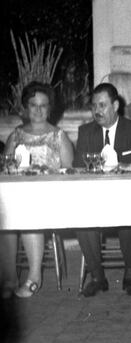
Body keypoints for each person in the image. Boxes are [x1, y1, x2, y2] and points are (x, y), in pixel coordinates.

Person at [75, 83, 131, 296]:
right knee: (80, 216)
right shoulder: (85, 133)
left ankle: (130, 274)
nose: (97, 111)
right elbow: (77, 172)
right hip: (95, 200)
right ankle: (96, 276)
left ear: (116, 105)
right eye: (93, 106)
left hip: (128, 199)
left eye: (102, 105)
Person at [0, 82, 74, 298]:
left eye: (43, 105)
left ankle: (34, 277)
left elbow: (69, 173)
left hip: (49, 198)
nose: (38, 111)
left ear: (50, 108)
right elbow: (5, 169)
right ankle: (9, 278)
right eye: (33, 105)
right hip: (19, 196)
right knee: (4, 215)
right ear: (26, 107)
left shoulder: (58, 137)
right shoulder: (16, 135)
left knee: (27, 214)